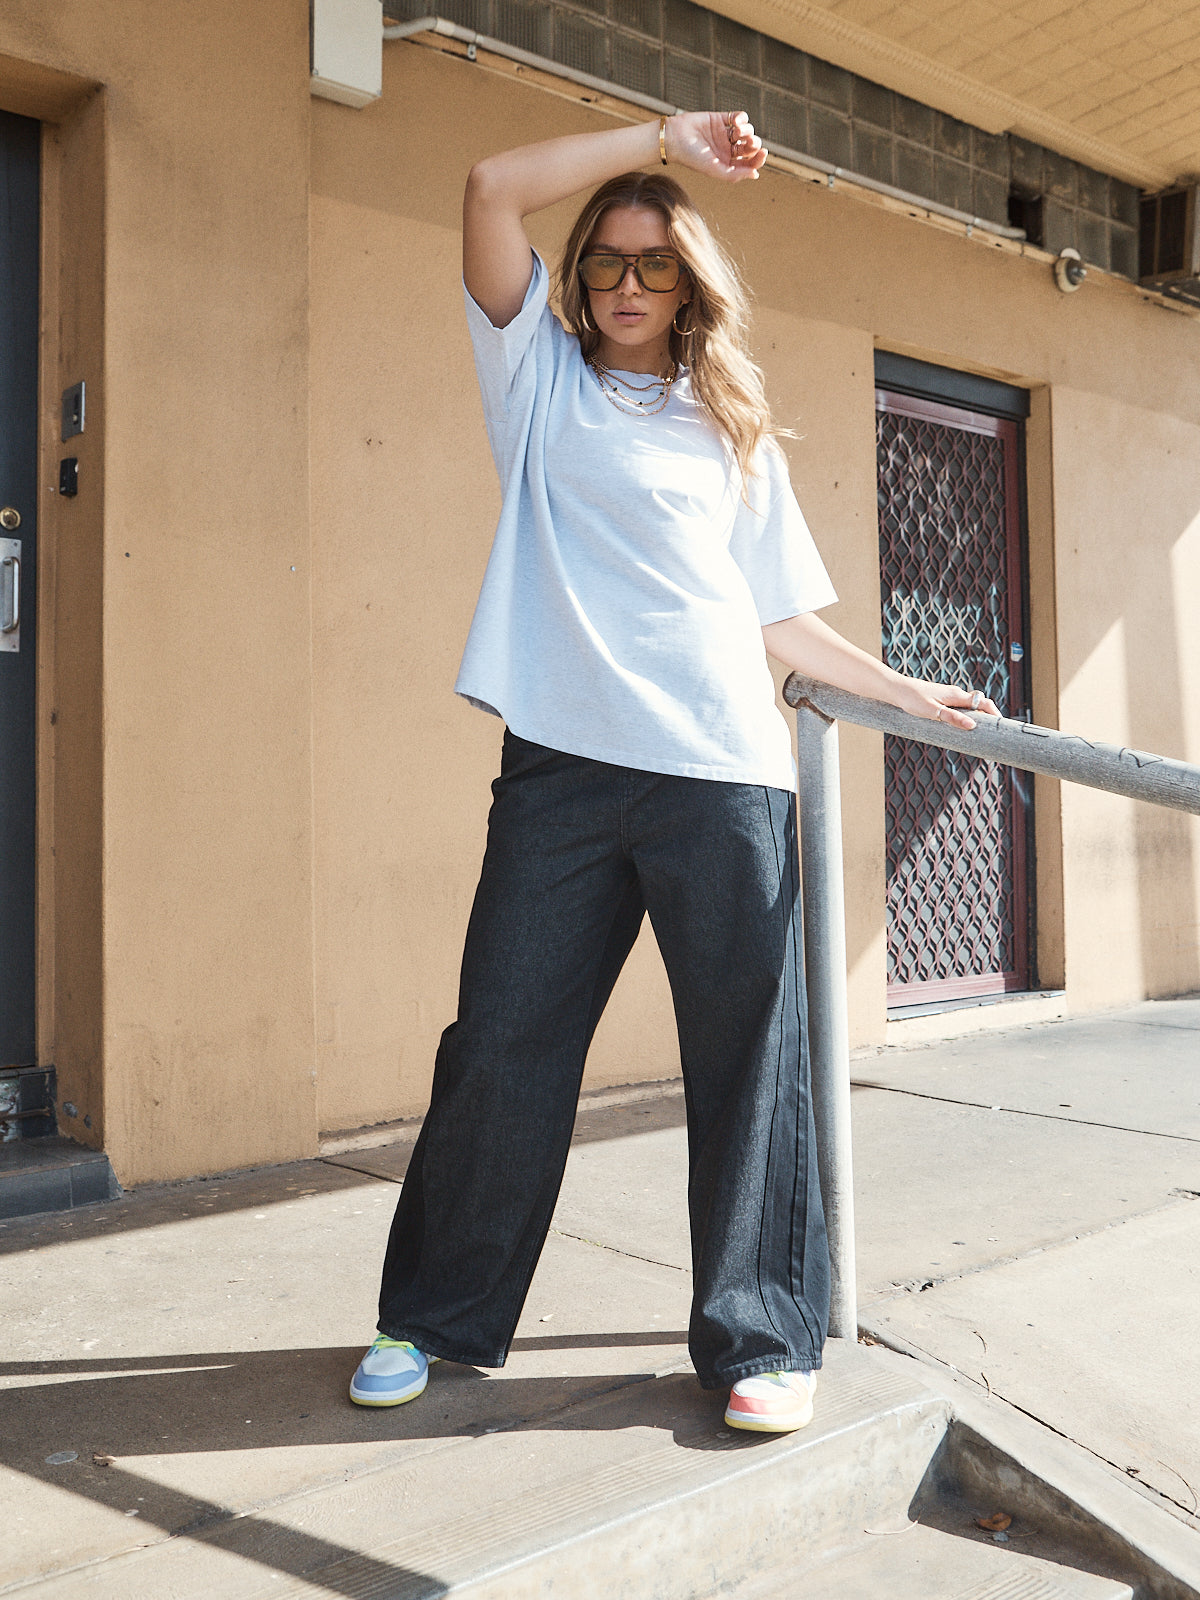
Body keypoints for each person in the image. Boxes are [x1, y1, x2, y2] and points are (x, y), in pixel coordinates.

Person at [349, 110, 996, 1433]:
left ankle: (762, 1339)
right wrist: (665, 141)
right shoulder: (535, 377)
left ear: (689, 282)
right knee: (501, 1047)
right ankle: (433, 1320)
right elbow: (487, 179)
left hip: (725, 776)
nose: (628, 286)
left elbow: (776, 621)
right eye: (608, 263)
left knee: (751, 1062)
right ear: (578, 278)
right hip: (565, 775)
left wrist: (898, 687)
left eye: (655, 265)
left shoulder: (729, 424)